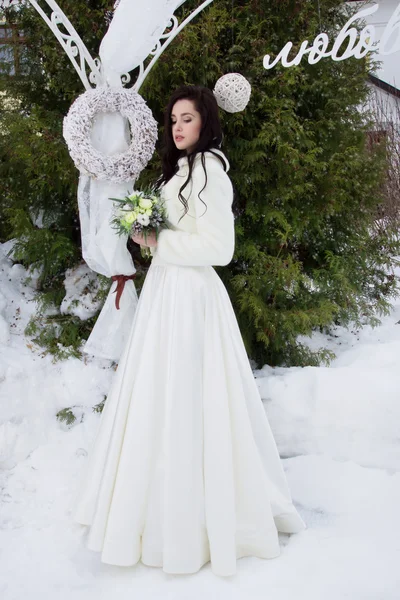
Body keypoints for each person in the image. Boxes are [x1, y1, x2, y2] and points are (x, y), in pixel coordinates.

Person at [72, 84, 306, 577]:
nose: (178, 127)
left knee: (191, 399)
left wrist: (160, 240)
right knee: (160, 396)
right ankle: (156, 512)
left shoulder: (209, 171)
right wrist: (146, 237)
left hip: (192, 299)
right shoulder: (180, 170)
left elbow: (219, 247)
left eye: (187, 119)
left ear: (206, 123)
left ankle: (201, 522)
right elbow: (176, 234)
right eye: (173, 119)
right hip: (165, 295)